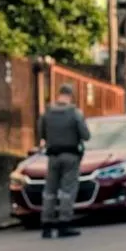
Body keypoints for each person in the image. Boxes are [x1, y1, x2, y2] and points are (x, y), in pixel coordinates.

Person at [38, 83, 90, 239]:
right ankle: (64, 223)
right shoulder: (75, 113)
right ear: (71, 95)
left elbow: (41, 132)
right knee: (68, 191)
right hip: (70, 155)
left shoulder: (47, 113)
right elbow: (86, 135)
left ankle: (46, 224)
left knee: (50, 191)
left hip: (53, 155)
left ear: (58, 94)